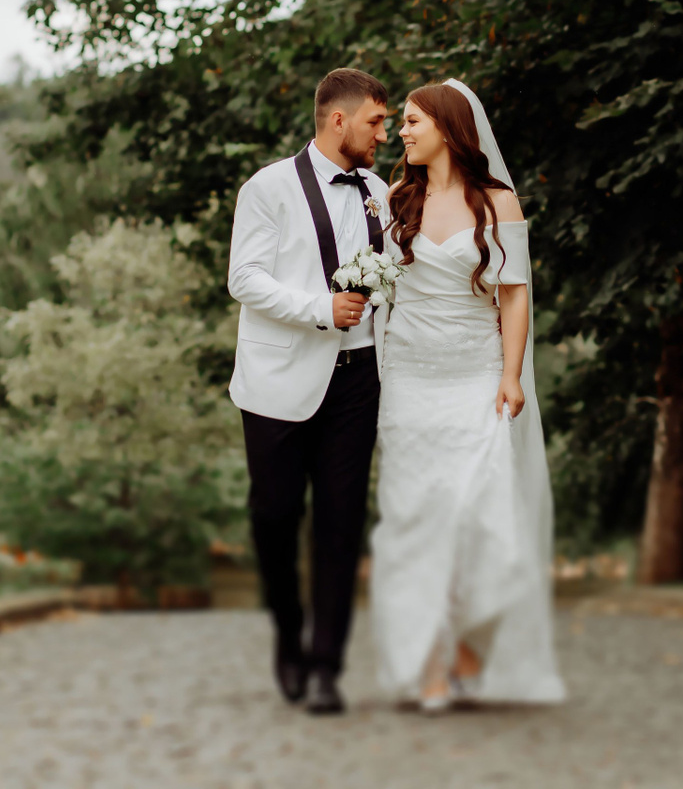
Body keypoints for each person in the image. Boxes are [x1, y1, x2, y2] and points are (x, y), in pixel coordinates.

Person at [369, 80, 566, 710]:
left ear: (449, 128)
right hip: (408, 378)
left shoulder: (498, 202)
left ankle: (469, 641)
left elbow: (514, 294)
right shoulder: (397, 200)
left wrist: (511, 375)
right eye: (401, 122)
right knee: (415, 520)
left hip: (475, 378)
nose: (401, 132)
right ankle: (427, 659)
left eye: (412, 121)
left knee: (480, 518)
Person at [226, 68, 391, 715]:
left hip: (359, 378)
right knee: (274, 517)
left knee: (341, 523)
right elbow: (245, 278)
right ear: (338, 120)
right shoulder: (267, 188)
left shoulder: (379, 192)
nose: (384, 135)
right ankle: (288, 637)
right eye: (376, 122)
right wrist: (321, 308)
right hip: (278, 382)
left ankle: (325, 665)